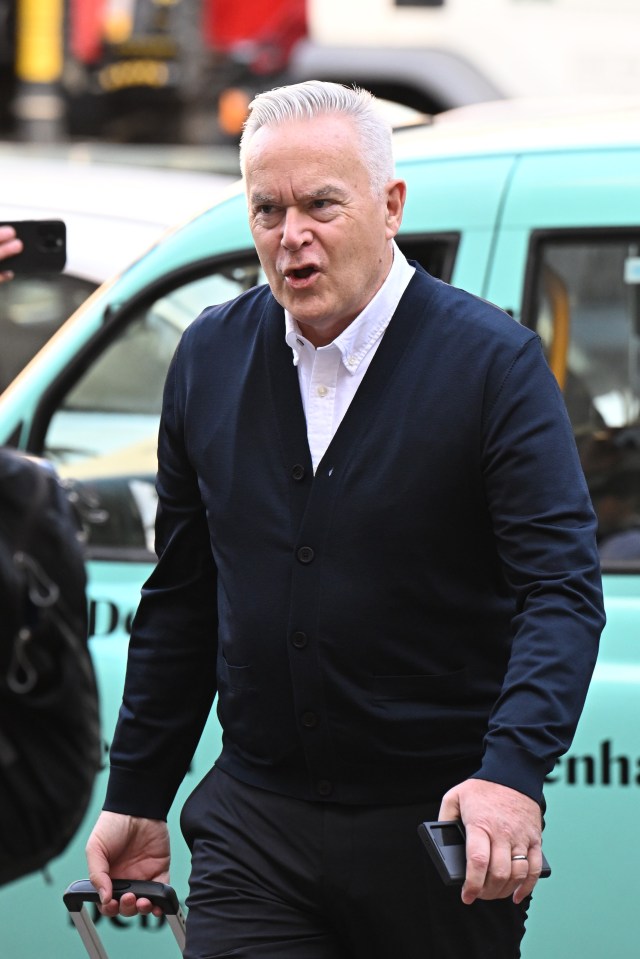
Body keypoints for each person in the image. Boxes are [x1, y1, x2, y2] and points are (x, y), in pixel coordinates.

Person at [86, 81, 605, 959]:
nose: (292, 236)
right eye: (267, 209)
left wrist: (510, 775)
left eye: (322, 204)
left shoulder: (494, 366)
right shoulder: (208, 355)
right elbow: (182, 594)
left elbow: (560, 591)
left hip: (435, 826)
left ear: (390, 204)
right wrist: (137, 789)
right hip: (256, 823)